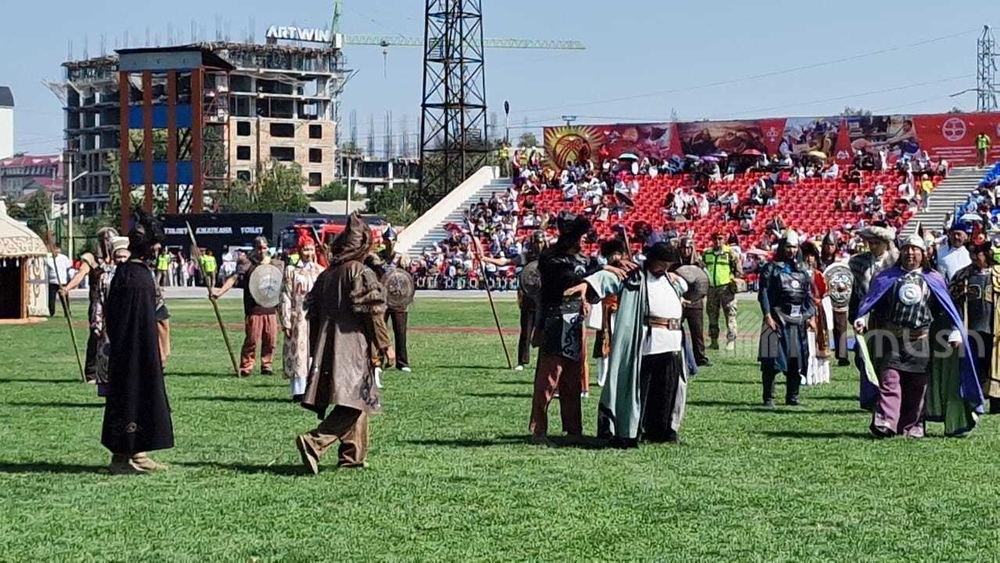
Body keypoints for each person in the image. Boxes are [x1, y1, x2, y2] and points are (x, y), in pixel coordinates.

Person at [855, 235, 983, 437]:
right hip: (891, 339)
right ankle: (885, 422)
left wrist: (955, 330)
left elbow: (946, 309)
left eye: (915, 250)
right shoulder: (885, 277)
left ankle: (912, 426)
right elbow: (873, 301)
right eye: (906, 250)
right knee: (890, 380)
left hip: (921, 340)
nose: (910, 254)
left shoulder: (934, 278)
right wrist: (862, 317)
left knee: (917, 385)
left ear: (923, 254)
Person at [295, 212, 393, 474]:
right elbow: (373, 312)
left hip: (328, 344)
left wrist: (317, 345)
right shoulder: (359, 271)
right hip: (353, 346)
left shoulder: (326, 275)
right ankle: (315, 442)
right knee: (355, 400)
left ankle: (352, 456)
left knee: (356, 399)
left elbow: (312, 313)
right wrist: (385, 345)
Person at [566, 242, 688, 447]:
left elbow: (690, 285)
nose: (664, 268)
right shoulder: (634, 276)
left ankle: (661, 430)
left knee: (667, 389)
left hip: (672, 341)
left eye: (668, 265)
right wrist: (587, 285)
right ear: (651, 260)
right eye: (661, 264)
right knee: (641, 389)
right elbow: (609, 278)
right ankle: (631, 429)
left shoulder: (671, 280)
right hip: (648, 342)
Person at [101, 209, 174, 474]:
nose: (158, 249)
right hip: (134, 353)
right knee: (131, 399)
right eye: (155, 245)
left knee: (136, 399)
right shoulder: (137, 278)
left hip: (132, 351)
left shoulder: (128, 273)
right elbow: (137, 321)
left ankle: (137, 453)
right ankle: (123, 458)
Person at [528, 213, 607, 446]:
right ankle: (538, 430)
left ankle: (574, 429)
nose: (583, 241)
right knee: (548, 379)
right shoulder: (551, 258)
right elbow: (567, 279)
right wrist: (596, 273)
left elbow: (593, 285)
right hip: (555, 321)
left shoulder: (582, 259)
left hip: (575, 322)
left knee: (573, 379)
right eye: (580, 237)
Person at [758, 231, 815, 406]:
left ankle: (793, 396)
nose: (792, 250)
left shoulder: (802, 270)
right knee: (771, 362)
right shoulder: (771, 268)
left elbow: (808, 296)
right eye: (789, 246)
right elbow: (764, 293)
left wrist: (810, 316)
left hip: (796, 322)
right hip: (776, 319)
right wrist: (767, 315)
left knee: (795, 361)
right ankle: (769, 397)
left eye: (795, 247)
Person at [213, 236, 284, 377]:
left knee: (271, 340)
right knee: (252, 339)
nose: (261, 251)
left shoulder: (276, 264)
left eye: (264, 248)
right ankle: (246, 366)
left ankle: (267, 365)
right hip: (254, 308)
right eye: (259, 248)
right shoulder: (247, 264)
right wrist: (219, 293)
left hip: (270, 307)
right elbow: (233, 279)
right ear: (254, 249)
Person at [480, 230, 548, 371]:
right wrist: (486, 259)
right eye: (536, 242)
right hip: (528, 298)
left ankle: (545, 362)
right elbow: (505, 262)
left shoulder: (550, 256)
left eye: (540, 242)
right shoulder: (525, 256)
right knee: (526, 332)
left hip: (545, 299)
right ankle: (522, 361)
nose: (538, 245)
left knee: (545, 332)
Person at [60, 227, 119, 383]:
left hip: (116, 303)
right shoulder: (91, 259)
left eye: (110, 240)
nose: (107, 244)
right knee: (96, 335)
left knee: (116, 336)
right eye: (104, 240)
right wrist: (67, 288)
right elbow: (80, 275)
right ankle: (91, 373)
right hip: (98, 304)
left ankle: (112, 371)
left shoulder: (120, 258)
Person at [949, 243, 1000, 414]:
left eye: (978, 253)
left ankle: (996, 400)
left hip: (995, 329)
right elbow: (953, 302)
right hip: (971, 329)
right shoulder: (962, 275)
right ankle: (975, 400)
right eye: (971, 252)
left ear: (987, 253)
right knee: (973, 364)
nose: (974, 256)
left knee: (995, 364)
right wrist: (955, 329)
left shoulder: (998, 273)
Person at [280, 235, 325, 402]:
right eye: (305, 249)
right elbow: (285, 296)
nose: (309, 252)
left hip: (317, 317)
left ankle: (315, 388)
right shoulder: (291, 271)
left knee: (315, 350)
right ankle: (299, 390)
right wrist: (286, 320)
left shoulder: (320, 270)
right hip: (298, 317)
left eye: (311, 249)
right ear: (299, 251)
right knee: (299, 353)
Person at [368, 226, 413, 373]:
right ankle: (378, 361)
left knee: (400, 331)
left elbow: (407, 279)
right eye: (388, 240)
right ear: (384, 241)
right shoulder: (376, 258)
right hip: (381, 299)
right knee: (379, 330)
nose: (390, 243)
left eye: (393, 240)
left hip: (399, 300)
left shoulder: (401, 258)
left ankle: (402, 362)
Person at [703, 231, 743, 351]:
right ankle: (714, 341)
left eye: (720, 238)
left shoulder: (730, 253)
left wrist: (734, 280)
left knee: (730, 315)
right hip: (711, 289)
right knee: (712, 315)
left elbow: (739, 270)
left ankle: (731, 340)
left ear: (724, 239)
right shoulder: (707, 253)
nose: (717, 241)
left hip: (726, 288)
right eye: (715, 238)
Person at [801, 241, 831, 385]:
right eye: (806, 256)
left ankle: (822, 375)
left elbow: (825, 292)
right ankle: (805, 373)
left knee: (820, 341)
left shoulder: (818, 275)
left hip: (818, 312)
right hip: (803, 311)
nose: (809, 259)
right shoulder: (799, 274)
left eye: (812, 256)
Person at [679, 237, 709, 366]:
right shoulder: (674, 264)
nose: (685, 251)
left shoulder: (699, 264)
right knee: (674, 328)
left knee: (697, 332)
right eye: (683, 248)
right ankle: (678, 354)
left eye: (688, 248)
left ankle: (700, 357)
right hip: (679, 302)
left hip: (695, 302)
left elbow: (706, 280)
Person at [45, 244, 71, 317]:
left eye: (57, 249)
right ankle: (51, 312)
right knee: (51, 299)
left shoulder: (64, 258)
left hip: (62, 282)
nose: (56, 251)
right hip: (52, 282)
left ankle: (67, 313)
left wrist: (68, 279)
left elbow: (68, 268)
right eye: (54, 249)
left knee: (64, 298)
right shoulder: (48, 258)